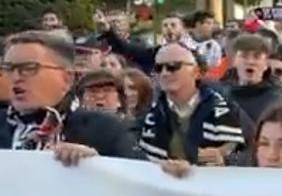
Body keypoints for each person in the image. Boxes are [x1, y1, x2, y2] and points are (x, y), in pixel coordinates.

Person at [0, 31, 136, 162]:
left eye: (29, 68)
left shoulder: (105, 129)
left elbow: (137, 174)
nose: (15, 77)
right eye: (8, 69)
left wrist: (96, 164)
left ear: (67, 78)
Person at [137, 43, 246, 166]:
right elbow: (135, 155)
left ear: (196, 72)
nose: (164, 73)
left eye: (173, 67)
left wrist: (225, 159)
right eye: (158, 68)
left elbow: (250, 151)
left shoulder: (226, 107)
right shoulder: (149, 111)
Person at [226, 34, 282, 123]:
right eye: (244, 56)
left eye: (257, 57)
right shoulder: (220, 96)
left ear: (266, 64)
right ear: (234, 61)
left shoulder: (278, 103)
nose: (250, 62)